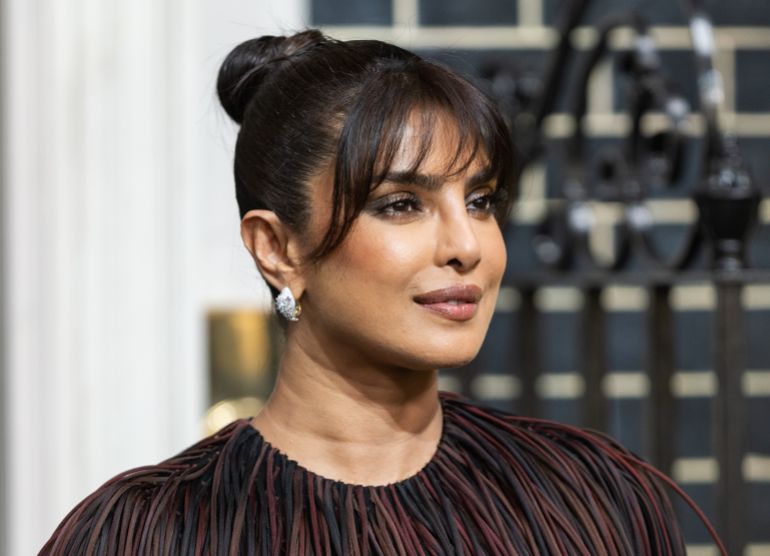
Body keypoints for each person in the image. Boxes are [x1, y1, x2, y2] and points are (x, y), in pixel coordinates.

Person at [41, 29, 723, 555]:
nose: (467, 245)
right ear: (277, 248)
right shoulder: (151, 533)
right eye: (401, 204)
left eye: (480, 200)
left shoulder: (586, 499)